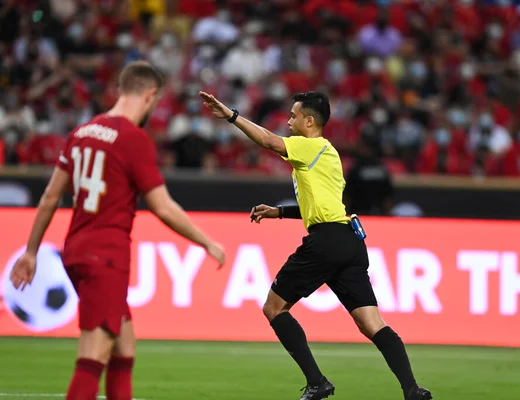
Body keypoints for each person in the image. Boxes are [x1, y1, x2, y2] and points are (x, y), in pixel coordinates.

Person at [10, 61, 226, 400]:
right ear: (150, 96)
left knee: (124, 350)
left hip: (76, 251)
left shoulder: (81, 133)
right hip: (105, 258)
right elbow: (163, 206)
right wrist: (206, 241)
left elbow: (51, 196)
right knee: (93, 355)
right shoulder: (132, 139)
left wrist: (32, 251)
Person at [200, 90, 432, 400]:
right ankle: (412, 390)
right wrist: (280, 212)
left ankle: (317, 382)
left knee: (274, 307)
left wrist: (232, 116)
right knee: (371, 322)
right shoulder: (329, 154)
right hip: (348, 240)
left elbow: (268, 141)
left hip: (325, 241)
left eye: (294, 116)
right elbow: (324, 206)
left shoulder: (310, 147)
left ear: (310, 121)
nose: (289, 120)